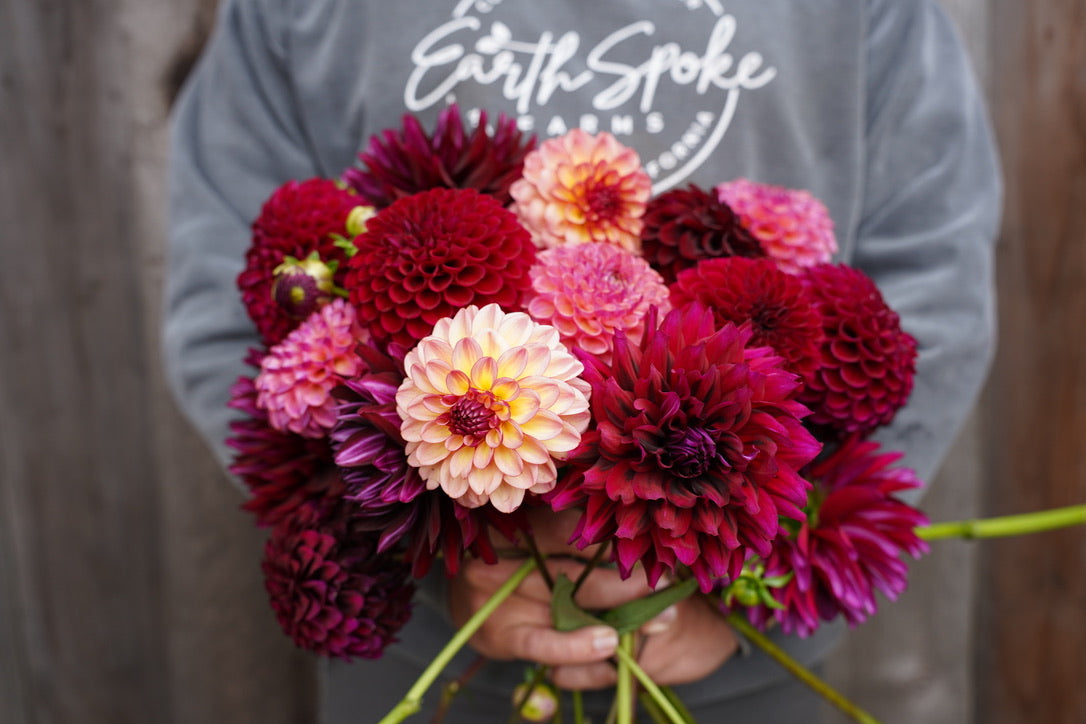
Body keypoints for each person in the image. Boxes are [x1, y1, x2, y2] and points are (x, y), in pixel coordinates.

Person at [163, 1, 1001, 721]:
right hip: (432, 663)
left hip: (744, 676)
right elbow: (224, 298)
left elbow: (935, 284)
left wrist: (752, 590)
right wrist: (443, 552)